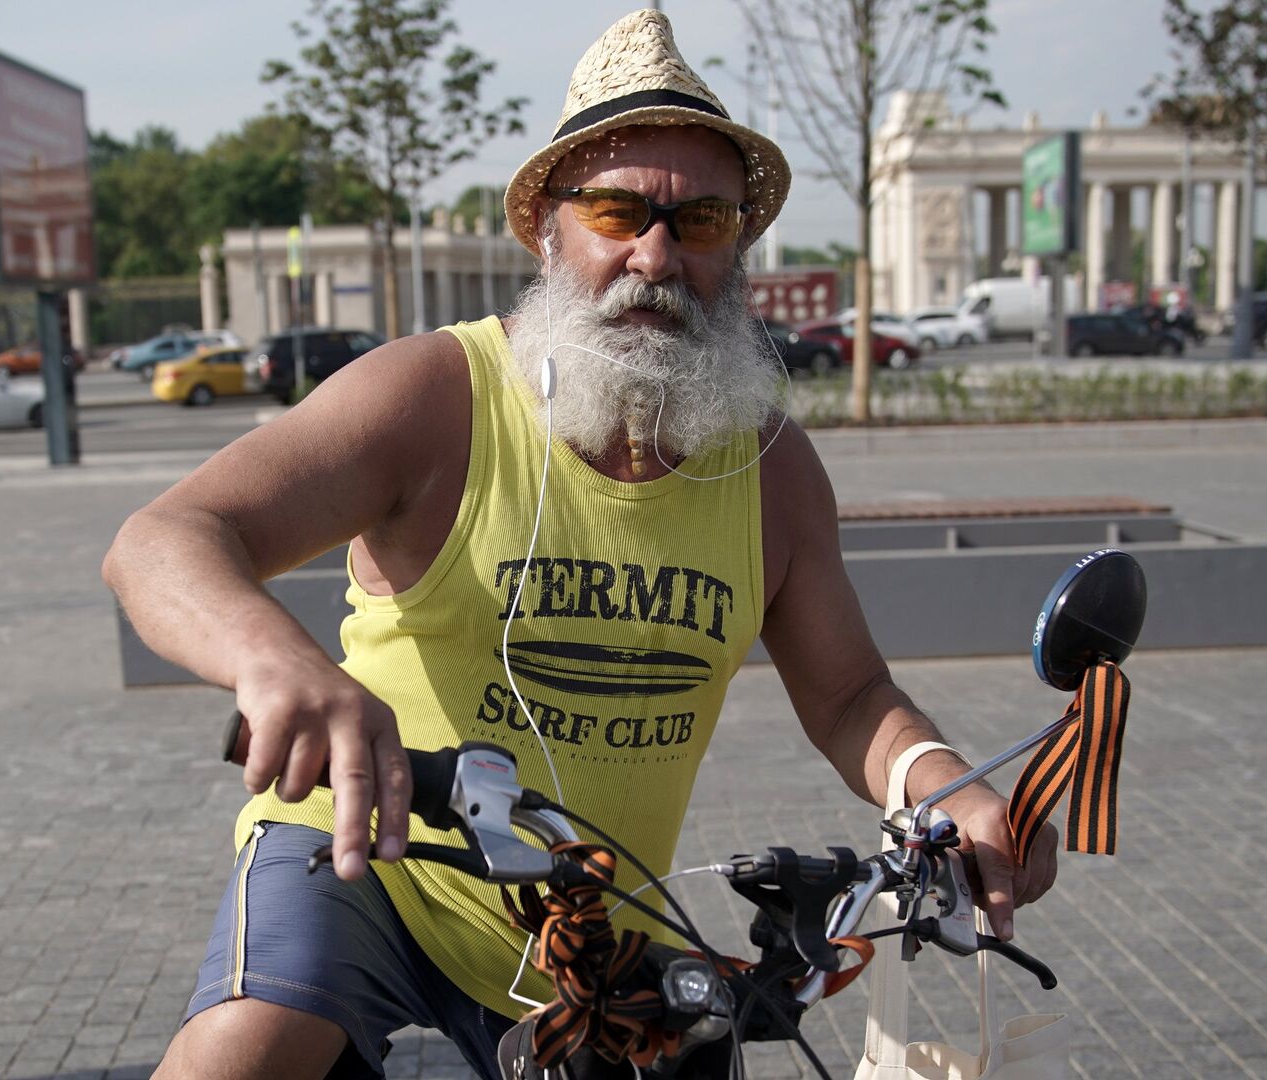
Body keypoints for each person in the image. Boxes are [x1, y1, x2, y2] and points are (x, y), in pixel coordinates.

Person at [104, 10, 1059, 1079]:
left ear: (734, 249)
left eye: (700, 220)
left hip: (595, 919)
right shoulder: (433, 397)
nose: (656, 253)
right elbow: (165, 537)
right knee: (244, 1048)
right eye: (617, 210)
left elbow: (849, 699)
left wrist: (945, 790)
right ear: (547, 232)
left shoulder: (772, 470)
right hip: (370, 858)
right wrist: (277, 662)